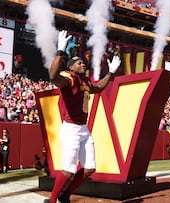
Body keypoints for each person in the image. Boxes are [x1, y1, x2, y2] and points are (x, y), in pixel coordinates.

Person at [46, 30, 121, 203]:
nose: (83, 65)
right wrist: (60, 51)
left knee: (89, 168)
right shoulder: (69, 78)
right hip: (71, 128)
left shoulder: (85, 82)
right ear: (70, 66)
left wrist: (110, 73)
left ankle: (65, 195)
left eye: (83, 63)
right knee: (68, 171)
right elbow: (52, 76)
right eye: (79, 63)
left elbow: (99, 88)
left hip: (83, 128)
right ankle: (51, 200)